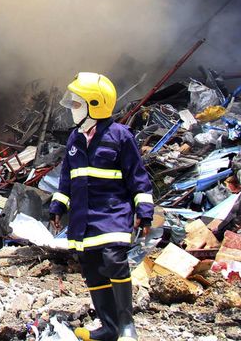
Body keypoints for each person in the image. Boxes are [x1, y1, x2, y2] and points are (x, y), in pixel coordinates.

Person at [49, 72, 153, 341]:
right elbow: (66, 179)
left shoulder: (120, 136)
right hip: (83, 217)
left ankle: (127, 325)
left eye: (76, 104)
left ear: (94, 105)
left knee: (113, 260)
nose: (72, 110)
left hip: (113, 212)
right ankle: (108, 328)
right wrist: (58, 208)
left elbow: (138, 177)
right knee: (92, 266)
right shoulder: (74, 139)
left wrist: (144, 212)